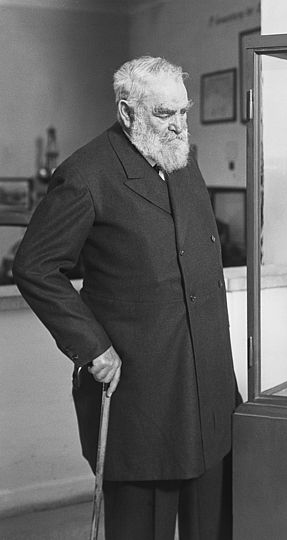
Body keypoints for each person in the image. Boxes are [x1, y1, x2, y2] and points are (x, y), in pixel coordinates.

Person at [13, 56, 239, 539]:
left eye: (183, 111)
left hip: (210, 393)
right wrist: (92, 346)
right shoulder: (86, 174)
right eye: (164, 114)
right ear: (127, 112)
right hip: (144, 403)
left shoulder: (182, 157)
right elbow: (34, 266)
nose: (179, 125)